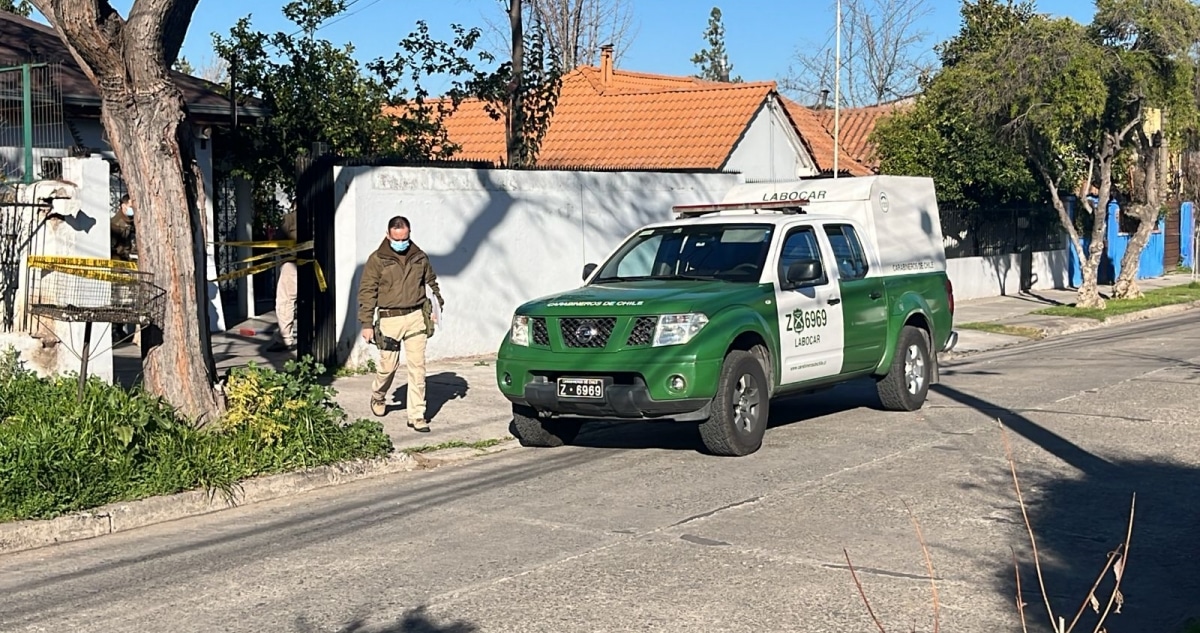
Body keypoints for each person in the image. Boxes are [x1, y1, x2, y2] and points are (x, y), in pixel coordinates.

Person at [358, 215, 444, 432]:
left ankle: (416, 415)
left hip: (416, 317)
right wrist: (366, 323)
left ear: (409, 234)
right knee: (388, 367)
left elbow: (431, 283)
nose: (401, 242)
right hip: (389, 319)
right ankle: (378, 395)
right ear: (388, 235)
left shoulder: (419, 257)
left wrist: (436, 306)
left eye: (404, 238)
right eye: (396, 238)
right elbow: (367, 292)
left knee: (418, 368)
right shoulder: (377, 259)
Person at [268, 206, 298, 353]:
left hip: (292, 264)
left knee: (285, 301)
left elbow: (278, 240)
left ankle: (285, 338)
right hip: (315, 263)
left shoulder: (290, 218)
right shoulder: (321, 215)